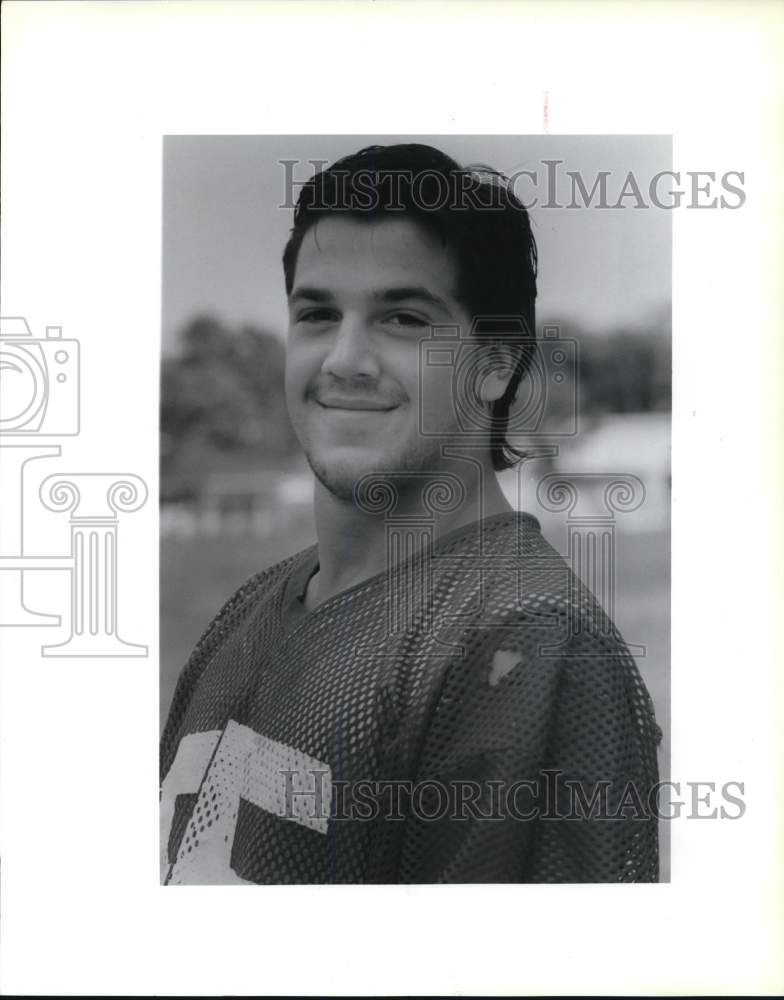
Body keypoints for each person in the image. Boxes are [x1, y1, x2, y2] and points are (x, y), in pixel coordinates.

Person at [160, 143, 662, 884]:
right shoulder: (251, 607)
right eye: (317, 315)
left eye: (401, 317)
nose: (344, 359)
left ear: (496, 362)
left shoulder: (532, 648)